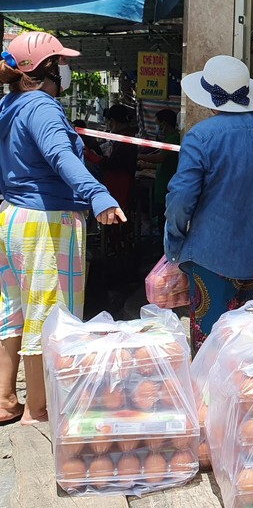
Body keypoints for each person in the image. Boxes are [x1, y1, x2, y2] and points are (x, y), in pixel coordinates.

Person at [0, 32, 126, 425]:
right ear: (48, 68)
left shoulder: (10, 104)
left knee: (13, 312)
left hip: (13, 218)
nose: (67, 68)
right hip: (46, 223)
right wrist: (99, 195)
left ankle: (6, 399)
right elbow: (60, 156)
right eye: (63, 62)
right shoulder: (42, 106)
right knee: (47, 316)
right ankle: (39, 409)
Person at [165, 55, 253, 352]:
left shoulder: (201, 136)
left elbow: (181, 199)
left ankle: (210, 399)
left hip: (212, 259)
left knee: (211, 349)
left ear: (210, 99)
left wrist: (174, 241)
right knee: (252, 348)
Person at [138, 109, 180, 228]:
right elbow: (163, 163)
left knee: (164, 224)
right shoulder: (168, 139)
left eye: (157, 123)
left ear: (164, 123)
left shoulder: (174, 139)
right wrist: (146, 165)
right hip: (162, 188)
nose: (157, 127)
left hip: (168, 189)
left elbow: (160, 158)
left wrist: (139, 156)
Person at [100, 104, 138, 213]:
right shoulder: (127, 135)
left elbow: (114, 164)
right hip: (121, 186)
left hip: (120, 186)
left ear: (112, 121)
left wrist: (96, 158)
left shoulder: (125, 139)